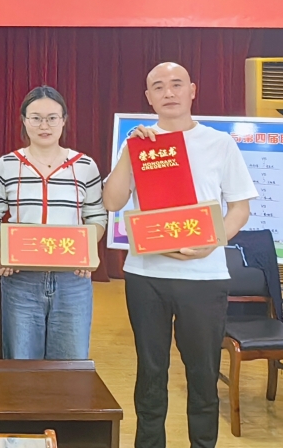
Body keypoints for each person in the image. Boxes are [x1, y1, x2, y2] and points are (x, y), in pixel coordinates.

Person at [103, 62, 256, 448]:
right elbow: (112, 201)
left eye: (176, 84)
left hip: (204, 278)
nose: (168, 92)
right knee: (150, 374)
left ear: (192, 90)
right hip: (146, 276)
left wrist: (212, 241)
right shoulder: (137, 144)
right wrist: (130, 152)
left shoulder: (220, 143)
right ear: (148, 98)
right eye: (158, 86)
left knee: (203, 376)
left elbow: (240, 208)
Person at [0, 86, 107, 360]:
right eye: (36, 118)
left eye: (52, 118)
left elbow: (96, 216)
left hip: (72, 280)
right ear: (24, 121)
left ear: (64, 120)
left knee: (70, 364)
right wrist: (1, 249)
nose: (44, 125)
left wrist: (86, 251)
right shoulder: (6, 165)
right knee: (21, 363)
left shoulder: (85, 166)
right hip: (21, 279)